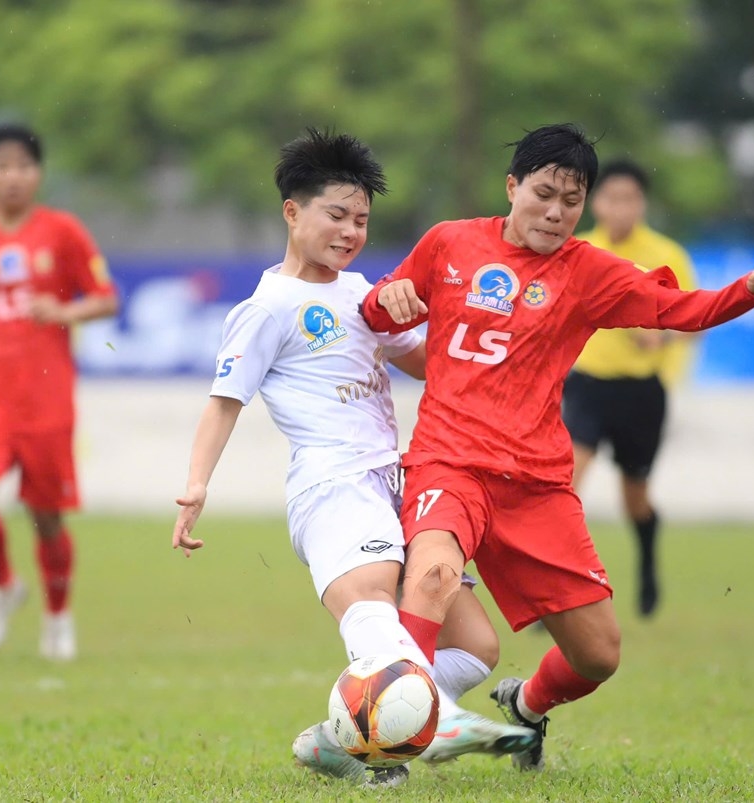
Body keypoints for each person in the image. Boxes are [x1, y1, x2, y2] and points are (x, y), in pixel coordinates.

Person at [360, 123, 754, 771]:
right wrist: (383, 299)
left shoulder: (586, 271)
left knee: (598, 655)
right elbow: (380, 314)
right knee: (431, 575)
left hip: (535, 485)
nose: (557, 212)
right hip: (448, 463)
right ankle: (389, 740)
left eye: (571, 200)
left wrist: (744, 295)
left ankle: (527, 705)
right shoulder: (448, 242)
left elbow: (675, 309)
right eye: (544, 194)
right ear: (512, 187)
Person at [171, 128, 535, 789]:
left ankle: (347, 735)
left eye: (362, 219)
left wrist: (478, 335)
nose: (350, 230)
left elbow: (429, 363)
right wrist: (196, 485)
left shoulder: (365, 292)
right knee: (371, 602)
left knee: (477, 648)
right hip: (332, 483)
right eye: (336, 214)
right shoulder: (268, 307)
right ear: (293, 211)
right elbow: (224, 401)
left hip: (399, 482)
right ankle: (429, 728)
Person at [0, 123, 119, 661]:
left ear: (38, 173)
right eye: (1, 167)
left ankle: (57, 616)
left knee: (46, 514)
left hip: (47, 397)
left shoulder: (61, 231)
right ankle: (5, 587)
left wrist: (65, 310)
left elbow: (105, 298)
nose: (12, 177)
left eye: (22, 166)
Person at [563, 158, 698, 617]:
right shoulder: (578, 250)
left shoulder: (667, 256)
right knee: (564, 487)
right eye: (612, 197)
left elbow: (694, 320)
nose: (621, 208)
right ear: (595, 202)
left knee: (634, 497)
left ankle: (647, 570)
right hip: (585, 387)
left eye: (631, 199)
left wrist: (662, 333)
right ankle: (560, 594)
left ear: (642, 204)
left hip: (641, 392)